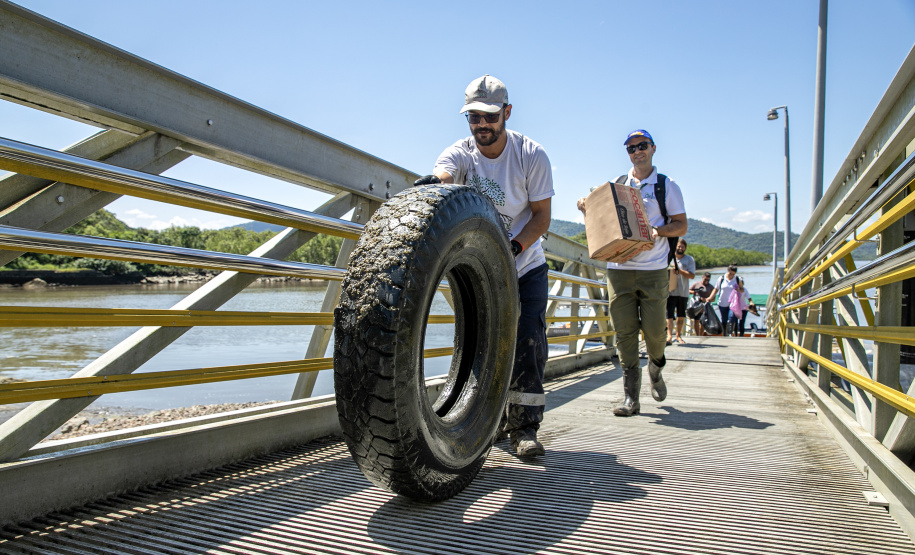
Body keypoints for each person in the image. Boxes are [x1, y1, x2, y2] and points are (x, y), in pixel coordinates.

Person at [414, 74, 554, 457]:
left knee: (527, 339)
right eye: (473, 117)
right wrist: (434, 183)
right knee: (483, 344)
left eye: (489, 117)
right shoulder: (461, 153)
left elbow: (542, 216)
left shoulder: (531, 155)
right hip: (483, 270)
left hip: (525, 263)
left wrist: (514, 246)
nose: (481, 126)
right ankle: (484, 424)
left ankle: (524, 427)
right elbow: (445, 174)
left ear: (507, 113)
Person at [577, 129, 687, 417]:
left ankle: (656, 366)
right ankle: (631, 398)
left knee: (654, 332)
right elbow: (604, 217)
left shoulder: (666, 186)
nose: (636, 151)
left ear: (653, 148)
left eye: (642, 146)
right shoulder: (618, 184)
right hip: (619, 269)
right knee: (624, 333)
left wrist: (658, 230)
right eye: (631, 148)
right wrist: (585, 206)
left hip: (653, 269)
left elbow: (681, 225)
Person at [666, 238, 696, 345]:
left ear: (685, 248)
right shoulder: (669, 257)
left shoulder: (689, 259)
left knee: (681, 315)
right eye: (679, 246)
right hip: (670, 292)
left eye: (682, 247)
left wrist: (680, 271)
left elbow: (692, 275)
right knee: (668, 315)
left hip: (683, 292)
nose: (680, 248)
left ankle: (678, 335)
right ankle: (669, 335)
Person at [708, 264, 739, 333]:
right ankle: (725, 333)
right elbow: (716, 289)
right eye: (730, 273)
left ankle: (731, 333)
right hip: (722, 302)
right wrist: (710, 297)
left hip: (733, 303)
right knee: (724, 319)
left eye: (733, 274)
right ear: (728, 271)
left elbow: (741, 290)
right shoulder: (721, 278)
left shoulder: (737, 279)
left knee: (731, 318)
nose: (731, 275)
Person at [689, 272, 714, 336]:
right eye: (705, 279)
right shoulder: (696, 284)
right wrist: (694, 292)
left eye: (708, 280)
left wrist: (707, 299)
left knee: (703, 322)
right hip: (697, 305)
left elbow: (713, 298)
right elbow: (688, 290)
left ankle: (701, 335)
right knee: (696, 320)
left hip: (705, 306)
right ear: (702, 278)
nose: (706, 281)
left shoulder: (711, 287)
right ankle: (697, 335)